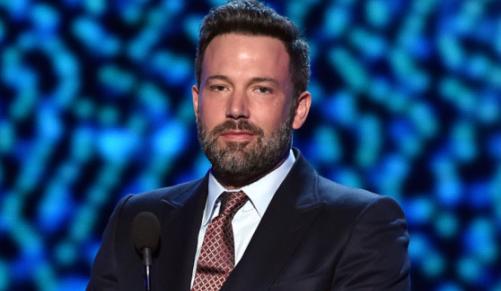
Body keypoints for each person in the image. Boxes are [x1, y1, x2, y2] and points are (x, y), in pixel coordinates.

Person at [87, 1, 411, 290]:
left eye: (261, 90)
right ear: (197, 102)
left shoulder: (360, 224)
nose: (237, 109)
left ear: (299, 109)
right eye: (220, 87)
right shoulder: (139, 221)